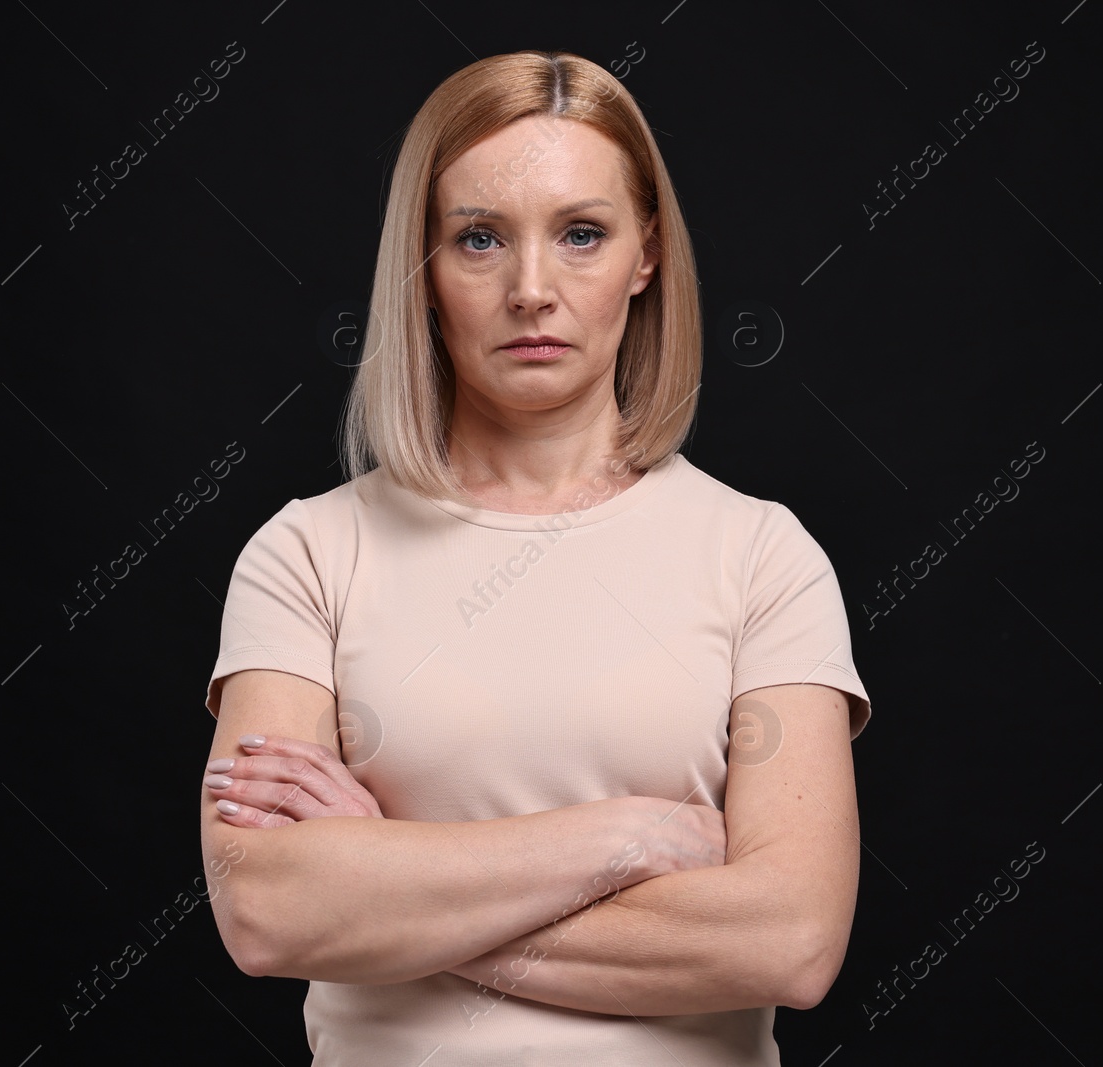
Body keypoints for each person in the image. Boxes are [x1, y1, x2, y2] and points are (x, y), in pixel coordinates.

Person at [198, 49, 873, 1066]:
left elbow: (791, 939)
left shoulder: (760, 556)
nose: (530, 289)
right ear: (422, 271)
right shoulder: (307, 553)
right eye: (478, 238)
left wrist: (386, 879)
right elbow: (268, 911)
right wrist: (628, 838)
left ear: (646, 255)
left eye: (581, 235)